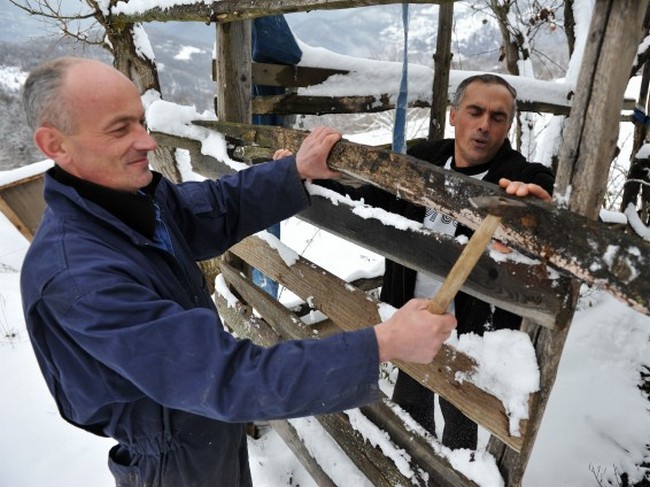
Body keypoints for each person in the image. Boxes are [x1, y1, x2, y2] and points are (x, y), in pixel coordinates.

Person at [19, 56, 457, 487]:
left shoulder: (120, 204)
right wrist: (382, 344)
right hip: (174, 463)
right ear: (55, 144)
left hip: (201, 427)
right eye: (120, 129)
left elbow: (209, 209)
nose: (147, 142)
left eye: (140, 122)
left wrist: (294, 172)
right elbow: (226, 378)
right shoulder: (79, 279)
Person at [305, 73, 555, 450]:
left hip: (472, 332)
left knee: (459, 419)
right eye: (475, 111)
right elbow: (373, 198)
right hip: (411, 315)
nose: (485, 125)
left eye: (498, 117)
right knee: (410, 409)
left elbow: (541, 198)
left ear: (508, 125)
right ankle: (416, 468)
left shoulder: (519, 176)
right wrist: (312, 180)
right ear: (454, 115)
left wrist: (536, 210)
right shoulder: (423, 161)